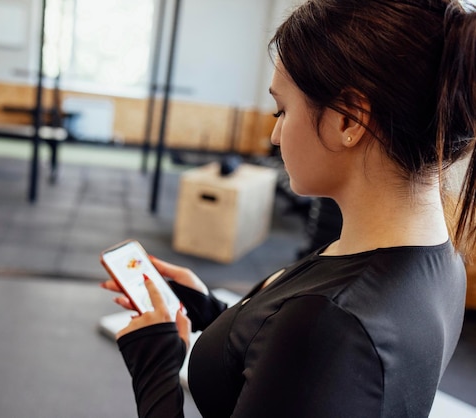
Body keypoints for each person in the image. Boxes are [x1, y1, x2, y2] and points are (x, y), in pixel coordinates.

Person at [101, 0, 476, 416]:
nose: (276, 135)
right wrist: (218, 315)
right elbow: (302, 380)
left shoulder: (328, 324)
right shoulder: (443, 262)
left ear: (348, 120)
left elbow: (320, 352)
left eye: (282, 110)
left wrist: (155, 366)